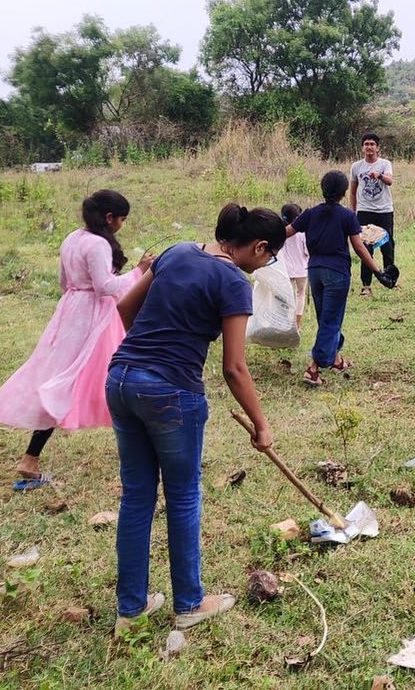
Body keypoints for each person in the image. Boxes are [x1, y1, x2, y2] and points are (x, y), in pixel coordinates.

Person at [107, 204, 284, 632]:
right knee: (183, 496)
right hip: (171, 393)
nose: (267, 263)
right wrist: (261, 424)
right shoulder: (233, 282)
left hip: (121, 378)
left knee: (136, 496)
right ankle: (189, 602)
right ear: (259, 247)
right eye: (270, 256)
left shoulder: (177, 250)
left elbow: (126, 307)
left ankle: (130, 610)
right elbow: (234, 368)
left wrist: (152, 350)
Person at [0, 190, 153, 490]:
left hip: (70, 311)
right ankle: (143, 446)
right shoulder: (99, 244)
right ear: (109, 217)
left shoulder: (72, 238)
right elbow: (104, 287)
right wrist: (138, 272)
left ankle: (31, 457)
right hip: (95, 316)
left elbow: (64, 282)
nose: (121, 225)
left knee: (63, 377)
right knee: (110, 376)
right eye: (122, 219)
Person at [290, 170, 392, 386]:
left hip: (315, 271)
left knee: (325, 317)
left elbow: (286, 231)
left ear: (323, 189)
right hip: (336, 273)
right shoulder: (347, 216)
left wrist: (261, 238)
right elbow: (359, 247)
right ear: (344, 192)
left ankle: (335, 360)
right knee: (330, 320)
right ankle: (313, 369)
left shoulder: (310, 213)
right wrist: (377, 272)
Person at [349, 132, 395, 297]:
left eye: (372, 144)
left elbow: (390, 181)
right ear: (362, 148)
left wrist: (380, 175)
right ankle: (366, 285)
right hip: (364, 211)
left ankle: (389, 279)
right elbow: (353, 191)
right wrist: (352, 213)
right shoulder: (356, 167)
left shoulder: (385, 164)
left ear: (377, 147)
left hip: (384, 210)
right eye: (366, 144)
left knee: (387, 246)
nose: (369, 147)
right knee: (365, 247)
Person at [280, 203, 310, 329]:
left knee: (286, 294)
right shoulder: (302, 233)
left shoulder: (281, 232)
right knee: (300, 293)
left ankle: (285, 322)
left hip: (285, 269)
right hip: (301, 269)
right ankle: (297, 324)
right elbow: (307, 251)